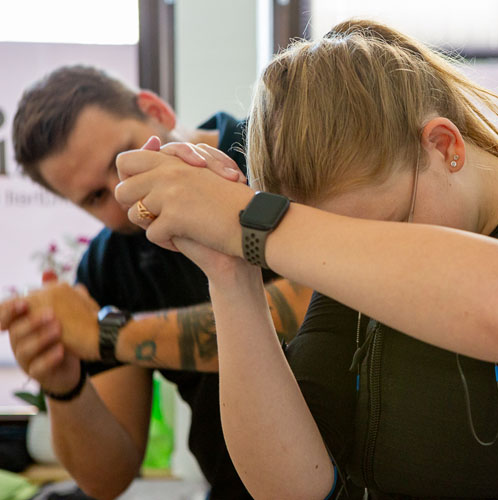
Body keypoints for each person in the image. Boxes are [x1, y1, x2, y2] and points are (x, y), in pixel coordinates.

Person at [114, 20, 498, 499]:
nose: (348, 253)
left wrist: (254, 223)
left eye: (379, 227)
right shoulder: (350, 280)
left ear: (444, 145)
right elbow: (293, 488)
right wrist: (230, 270)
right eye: (328, 236)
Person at [0, 66, 311, 500]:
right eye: (94, 198)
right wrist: (63, 381)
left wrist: (106, 334)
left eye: (122, 156)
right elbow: (108, 479)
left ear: (156, 110)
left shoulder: (281, 151)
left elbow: (311, 307)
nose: (123, 190)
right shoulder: (110, 264)